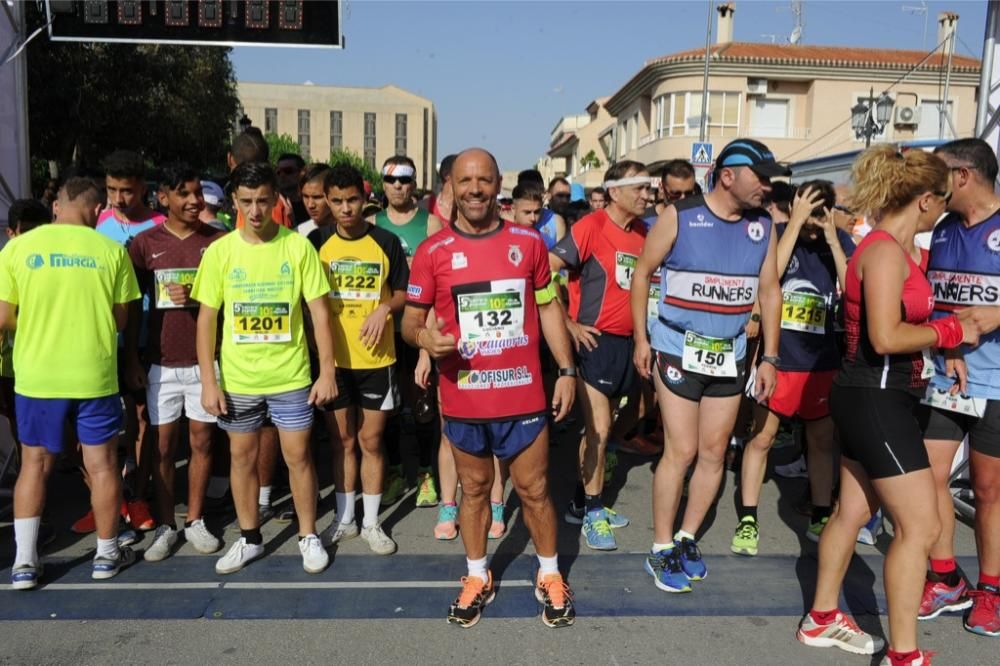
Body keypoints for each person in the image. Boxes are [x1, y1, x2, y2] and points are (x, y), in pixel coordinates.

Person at [797, 145, 977, 664]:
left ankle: (823, 618)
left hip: (875, 396)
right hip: (875, 401)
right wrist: (949, 331)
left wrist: (942, 353)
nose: (945, 209)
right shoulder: (880, 253)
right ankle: (904, 655)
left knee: (851, 511)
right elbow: (884, 334)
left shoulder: (891, 251)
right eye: (942, 200)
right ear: (924, 200)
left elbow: (899, 331)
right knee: (920, 528)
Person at [402, 148, 577, 628]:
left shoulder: (529, 243)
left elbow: (547, 308)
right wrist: (423, 338)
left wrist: (566, 370)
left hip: (522, 394)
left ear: (497, 183)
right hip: (463, 395)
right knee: (475, 490)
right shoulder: (431, 252)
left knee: (534, 489)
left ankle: (549, 572)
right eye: (466, 181)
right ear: (451, 188)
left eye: (484, 180)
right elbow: (411, 321)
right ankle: (477, 575)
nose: (475, 189)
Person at [630, 138, 784, 593]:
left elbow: (770, 290)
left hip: (730, 354)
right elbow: (642, 273)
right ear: (729, 175)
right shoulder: (680, 215)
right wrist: (642, 337)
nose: (768, 186)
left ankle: (685, 537)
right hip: (678, 349)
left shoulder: (763, 225)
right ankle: (659, 548)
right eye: (762, 176)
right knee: (681, 451)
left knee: (715, 453)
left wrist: (770, 357)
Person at [191, 161, 337, 575]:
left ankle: (308, 536)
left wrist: (326, 371)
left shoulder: (297, 247)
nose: (255, 211)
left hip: (290, 376)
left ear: (276, 200)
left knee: (299, 457)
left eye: (262, 201)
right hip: (238, 379)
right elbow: (207, 320)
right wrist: (209, 381)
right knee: (241, 458)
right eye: (246, 202)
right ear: (234, 203)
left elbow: (319, 315)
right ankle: (250, 538)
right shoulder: (220, 251)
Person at [2, 177, 140, 589]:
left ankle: (24, 563)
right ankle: (106, 553)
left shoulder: (18, 248)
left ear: (58, 206)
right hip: (93, 373)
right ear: (98, 211)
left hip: (37, 376)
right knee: (101, 466)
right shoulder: (111, 250)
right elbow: (121, 319)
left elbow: (4, 317)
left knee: (34, 465)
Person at [730, 180, 854, 557]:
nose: (814, 223)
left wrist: (833, 239)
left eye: (820, 213)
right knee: (762, 438)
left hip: (821, 361)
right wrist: (795, 224)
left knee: (819, 441)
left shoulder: (840, 241)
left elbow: (852, 294)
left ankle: (819, 512)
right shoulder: (780, 234)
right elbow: (769, 277)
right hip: (780, 359)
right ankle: (748, 519)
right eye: (809, 211)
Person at [918, 138, 1000, 637]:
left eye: (939, 174)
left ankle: (991, 588)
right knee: (929, 481)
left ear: (963, 176)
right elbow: (937, 298)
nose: (932, 184)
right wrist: (947, 342)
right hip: (949, 377)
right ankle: (945, 576)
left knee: (990, 491)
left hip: (997, 382)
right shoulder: (946, 228)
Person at [126, 165, 226, 562]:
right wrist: (131, 356)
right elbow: (131, 306)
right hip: (161, 364)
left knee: (202, 442)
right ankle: (167, 525)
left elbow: (229, 300)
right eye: (183, 193)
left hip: (206, 362)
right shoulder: (142, 244)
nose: (194, 201)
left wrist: (198, 296)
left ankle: (195, 519)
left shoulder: (218, 241)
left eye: (198, 192)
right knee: (164, 447)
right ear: (162, 197)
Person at [550, 160, 650, 551]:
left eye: (649, 188)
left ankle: (581, 496)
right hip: (596, 342)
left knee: (641, 411)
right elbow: (546, 271)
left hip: (633, 342)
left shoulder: (644, 233)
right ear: (614, 191)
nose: (648, 195)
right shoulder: (590, 227)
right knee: (598, 429)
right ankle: (592, 510)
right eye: (639, 188)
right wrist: (569, 324)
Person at [316, 164, 409, 555]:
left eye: (352, 199)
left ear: (364, 197)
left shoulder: (386, 241)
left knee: (371, 441)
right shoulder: (316, 241)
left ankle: (371, 523)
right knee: (342, 442)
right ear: (326, 202)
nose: (345, 208)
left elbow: (405, 292)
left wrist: (385, 308)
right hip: (333, 363)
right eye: (336, 201)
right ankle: (345, 519)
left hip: (377, 360)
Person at [85, 149, 164, 535]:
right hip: (102, 340)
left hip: (149, 336)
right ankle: (106, 502)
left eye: (127, 191)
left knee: (141, 419)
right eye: (113, 189)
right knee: (99, 426)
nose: (119, 198)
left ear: (143, 189)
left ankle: (138, 493)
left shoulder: (161, 224)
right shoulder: (97, 224)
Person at [368, 155, 443, 509]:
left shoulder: (431, 225)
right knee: (390, 408)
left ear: (414, 183)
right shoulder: (370, 222)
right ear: (382, 182)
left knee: (423, 403)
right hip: (381, 333)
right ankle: (397, 471)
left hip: (419, 332)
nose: (398, 185)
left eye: (405, 179)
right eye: (391, 179)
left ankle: (427, 473)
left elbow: (441, 286)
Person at [0, 200, 50, 442]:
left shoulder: (60, 262)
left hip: (58, 362)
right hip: (14, 367)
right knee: (24, 436)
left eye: (40, 231)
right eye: (27, 232)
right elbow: (4, 319)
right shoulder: (6, 261)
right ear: (10, 233)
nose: (34, 239)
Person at [296, 164, 333, 240]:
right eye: (305, 196)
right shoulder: (298, 234)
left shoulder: (352, 231)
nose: (310, 205)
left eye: (317, 197)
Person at [276, 153, 309, 226]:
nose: (282, 175)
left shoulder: (311, 204)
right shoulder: (274, 203)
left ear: (302, 173)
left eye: (288, 171)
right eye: (278, 172)